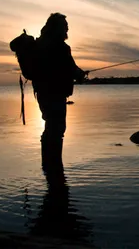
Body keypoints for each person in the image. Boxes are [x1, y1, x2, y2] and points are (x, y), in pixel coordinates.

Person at [33, 13, 88, 167]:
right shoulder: (61, 47)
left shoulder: (42, 44)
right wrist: (80, 75)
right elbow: (70, 68)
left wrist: (77, 73)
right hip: (55, 94)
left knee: (50, 127)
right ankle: (54, 166)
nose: (67, 29)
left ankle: (48, 166)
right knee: (57, 129)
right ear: (57, 28)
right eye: (64, 26)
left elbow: (66, 68)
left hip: (43, 93)